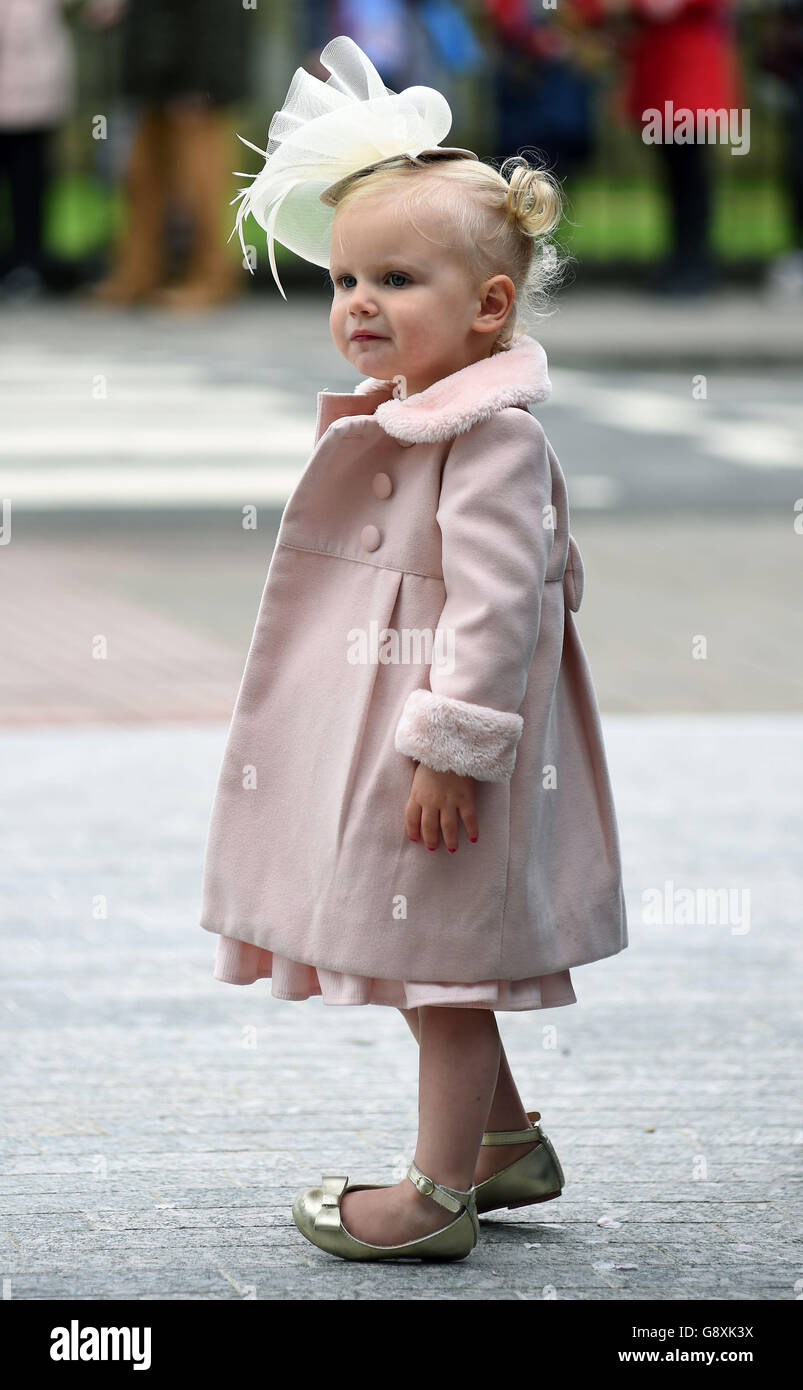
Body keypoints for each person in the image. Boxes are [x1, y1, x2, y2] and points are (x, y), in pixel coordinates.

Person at [200, 35, 628, 1262]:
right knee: (408, 936)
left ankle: (437, 1194)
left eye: (394, 278)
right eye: (343, 280)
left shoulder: (489, 439)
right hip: (383, 729)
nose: (357, 305)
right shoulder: (410, 418)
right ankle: (500, 1144)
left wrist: (454, 748)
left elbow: (497, 608)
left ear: (488, 306)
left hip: (448, 748)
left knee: (439, 963)